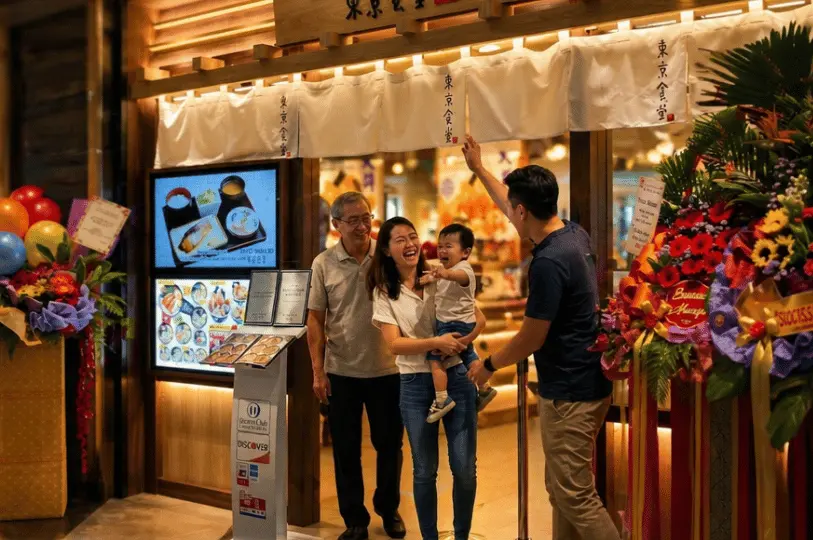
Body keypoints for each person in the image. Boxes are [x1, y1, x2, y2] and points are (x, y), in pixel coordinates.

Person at [462, 136, 619, 540]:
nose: (510, 214)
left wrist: (489, 365)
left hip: (570, 391)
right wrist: (480, 169)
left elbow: (532, 336)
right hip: (585, 381)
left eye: (514, 209)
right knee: (562, 492)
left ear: (522, 210)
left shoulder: (548, 261)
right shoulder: (572, 234)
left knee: (576, 496)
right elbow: (509, 204)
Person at [366, 217, 485, 540]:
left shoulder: (439, 272)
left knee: (464, 468)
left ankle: (462, 535)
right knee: (424, 471)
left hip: (457, 376)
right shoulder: (384, 292)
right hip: (414, 384)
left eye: (413, 236)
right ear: (387, 251)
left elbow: (477, 315)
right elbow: (394, 344)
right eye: (399, 240)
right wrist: (435, 343)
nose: (409, 244)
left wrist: (464, 341)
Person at [306, 192, 406, 540]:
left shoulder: (387, 255)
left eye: (367, 217)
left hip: (389, 370)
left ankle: (388, 508)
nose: (363, 225)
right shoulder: (323, 264)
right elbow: (315, 320)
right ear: (336, 226)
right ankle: (355, 520)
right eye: (354, 220)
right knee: (345, 449)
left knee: (390, 445)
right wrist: (318, 372)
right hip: (342, 372)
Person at [418, 223, 497, 423]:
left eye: (449, 246)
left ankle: (442, 398)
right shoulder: (446, 270)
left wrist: (445, 274)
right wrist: (431, 277)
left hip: (452, 324)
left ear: (465, 252)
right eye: (440, 246)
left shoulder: (463, 270)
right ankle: (485, 388)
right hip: (462, 324)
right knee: (468, 354)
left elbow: (458, 277)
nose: (442, 250)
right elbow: (440, 279)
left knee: (434, 358)